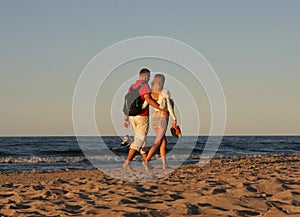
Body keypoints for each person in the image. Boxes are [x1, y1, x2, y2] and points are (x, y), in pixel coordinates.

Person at [122, 68, 168, 171]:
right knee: (139, 140)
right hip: (142, 116)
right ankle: (127, 163)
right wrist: (160, 108)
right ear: (146, 76)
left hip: (132, 116)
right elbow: (148, 99)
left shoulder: (131, 87)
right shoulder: (144, 85)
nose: (149, 78)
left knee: (143, 141)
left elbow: (127, 102)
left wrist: (126, 118)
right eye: (149, 76)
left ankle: (146, 164)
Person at [143, 74, 177, 171]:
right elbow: (169, 107)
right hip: (162, 118)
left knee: (163, 143)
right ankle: (146, 161)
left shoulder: (151, 94)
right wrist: (175, 119)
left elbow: (146, 104)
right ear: (161, 82)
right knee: (158, 142)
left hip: (154, 118)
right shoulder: (164, 92)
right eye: (163, 81)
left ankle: (164, 165)